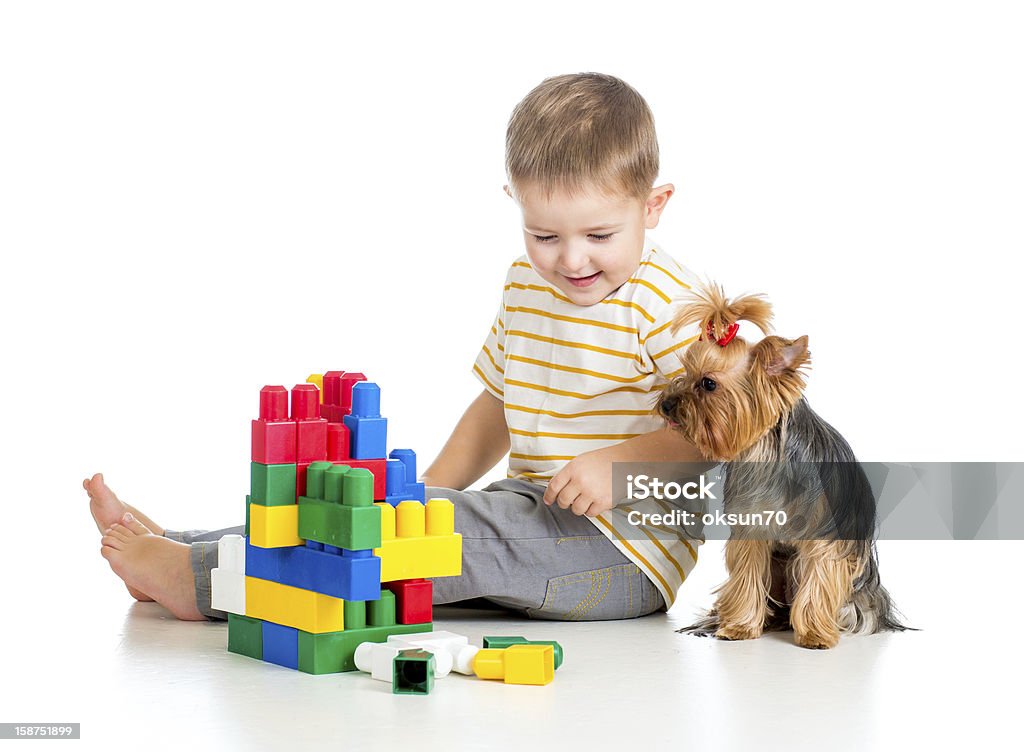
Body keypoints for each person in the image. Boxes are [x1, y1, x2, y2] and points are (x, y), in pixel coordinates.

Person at [87, 71, 707, 622]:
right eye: (544, 233)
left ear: (653, 206)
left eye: (599, 234)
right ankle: (187, 546)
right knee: (376, 516)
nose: (571, 259)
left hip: (622, 551)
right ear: (513, 202)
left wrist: (618, 466)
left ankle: (196, 582)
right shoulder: (527, 284)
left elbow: (721, 433)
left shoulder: (674, 305)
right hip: (530, 516)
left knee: (437, 533)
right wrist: (429, 486)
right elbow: (498, 401)